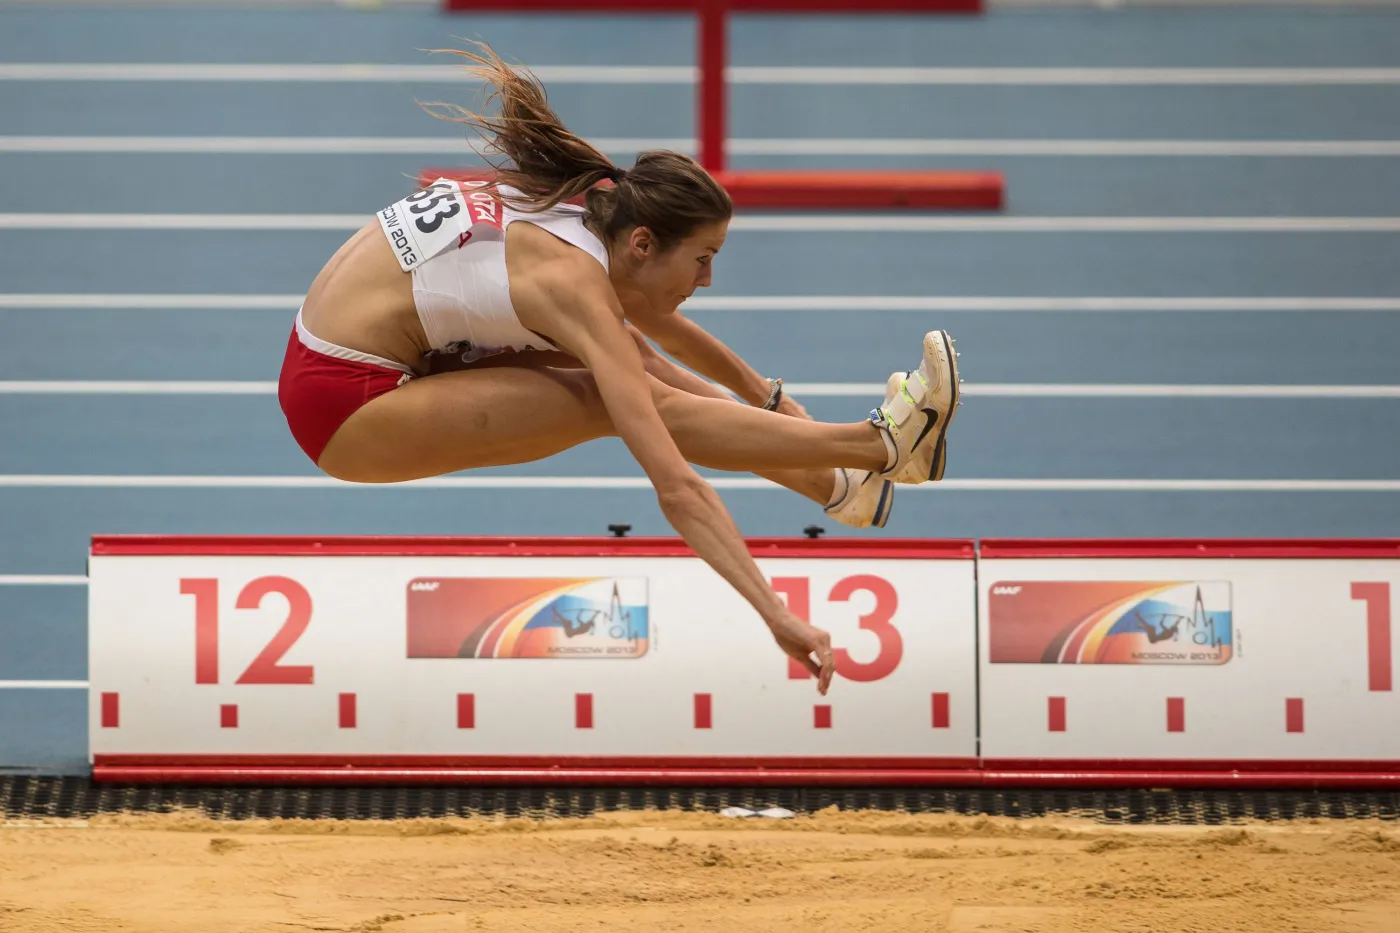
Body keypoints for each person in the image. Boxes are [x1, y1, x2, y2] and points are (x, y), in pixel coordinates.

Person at [277, 42, 961, 695]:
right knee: (609, 395)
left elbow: (654, 320)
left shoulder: (592, 206)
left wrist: (766, 395)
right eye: (701, 259)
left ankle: (845, 488)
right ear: (642, 243)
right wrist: (773, 609)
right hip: (344, 405)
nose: (710, 279)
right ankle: (878, 446)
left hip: (368, 350)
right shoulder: (570, 281)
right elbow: (676, 486)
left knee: (631, 359)